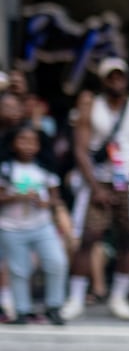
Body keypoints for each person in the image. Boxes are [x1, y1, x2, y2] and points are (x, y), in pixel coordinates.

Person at [61, 57, 129, 320]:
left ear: (126, 79)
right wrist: (95, 187)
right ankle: (75, 298)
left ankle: (118, 297)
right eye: (111, 76)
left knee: (128, 240)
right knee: (89, 238)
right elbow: (81, 150)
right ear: (103, 80)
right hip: (100, 180)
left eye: (120, 76)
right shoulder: (91, 106)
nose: (116, 80)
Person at [0, 125, 72, 325]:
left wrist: (45, 202)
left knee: (57, 262)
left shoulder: (44, 169)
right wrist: (16, 196)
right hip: (10, 226)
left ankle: (54, 305)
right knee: (18, 269)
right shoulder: (5, 168)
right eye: (23, 140)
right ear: (13, 144)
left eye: (33, 141)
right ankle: (22, 310)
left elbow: (55, 198)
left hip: (41, 224)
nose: (28, 146)